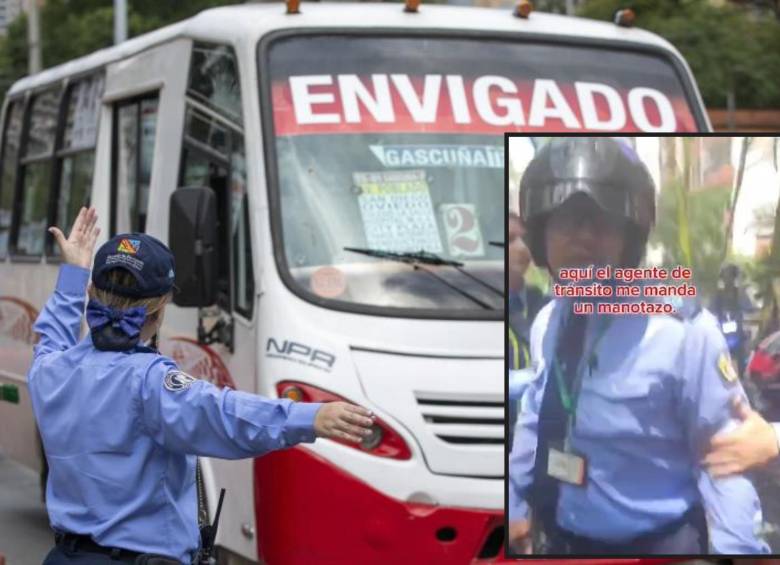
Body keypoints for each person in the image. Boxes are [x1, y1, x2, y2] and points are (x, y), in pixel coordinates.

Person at [29, 207, 375, 564]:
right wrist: (310, 417)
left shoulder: (50, 372)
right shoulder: (150, 382)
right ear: (160, 310)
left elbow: (50, 336)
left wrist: (73, 272)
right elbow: (225, 416)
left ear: (90, 292)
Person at [507, 137, 769, 555]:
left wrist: (737, 551)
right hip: (563, 537)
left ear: (629, 237)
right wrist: (514, 506)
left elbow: (725, 463)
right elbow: (536, 418)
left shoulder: (682, 333)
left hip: (658, 545)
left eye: (603, 222)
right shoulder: (548, 322)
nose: (584, 239)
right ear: (541, 235)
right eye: (568, 222)